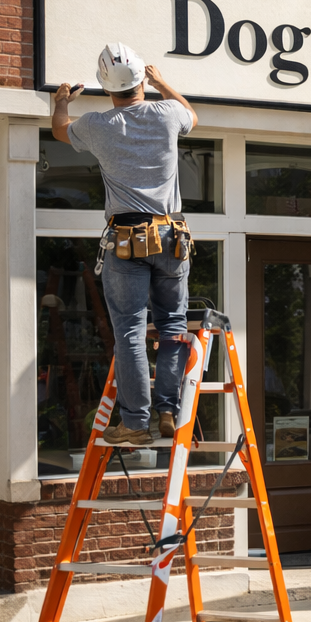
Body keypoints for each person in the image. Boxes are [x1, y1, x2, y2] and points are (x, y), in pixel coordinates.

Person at [52, 44, 199, 447]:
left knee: (131, 332)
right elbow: (192, 115)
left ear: (106, 87)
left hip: (127, 240)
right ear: (140, 81)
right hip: (171, 236)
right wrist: (163, 82)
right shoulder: (167, 114)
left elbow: (60, 130)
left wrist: (62, 100)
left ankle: (136, 422)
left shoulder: (99, 124)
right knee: (172, 328)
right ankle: (167, 410)